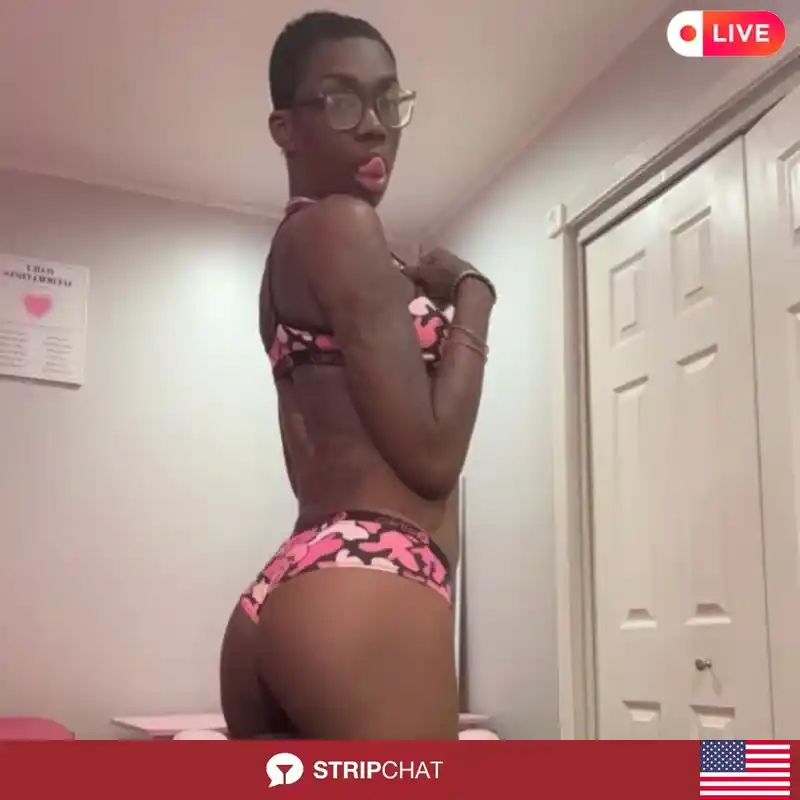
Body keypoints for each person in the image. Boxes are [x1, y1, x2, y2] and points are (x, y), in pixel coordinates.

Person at [219, 10, 496, 740]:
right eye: (341, 101)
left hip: (292, 576)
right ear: (285, 127)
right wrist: (475, 293)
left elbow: (311, 448)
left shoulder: (286, 256)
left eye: (388, 101)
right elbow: (432, 459)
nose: (375, 126)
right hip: (372, 578)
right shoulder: (345, 225)